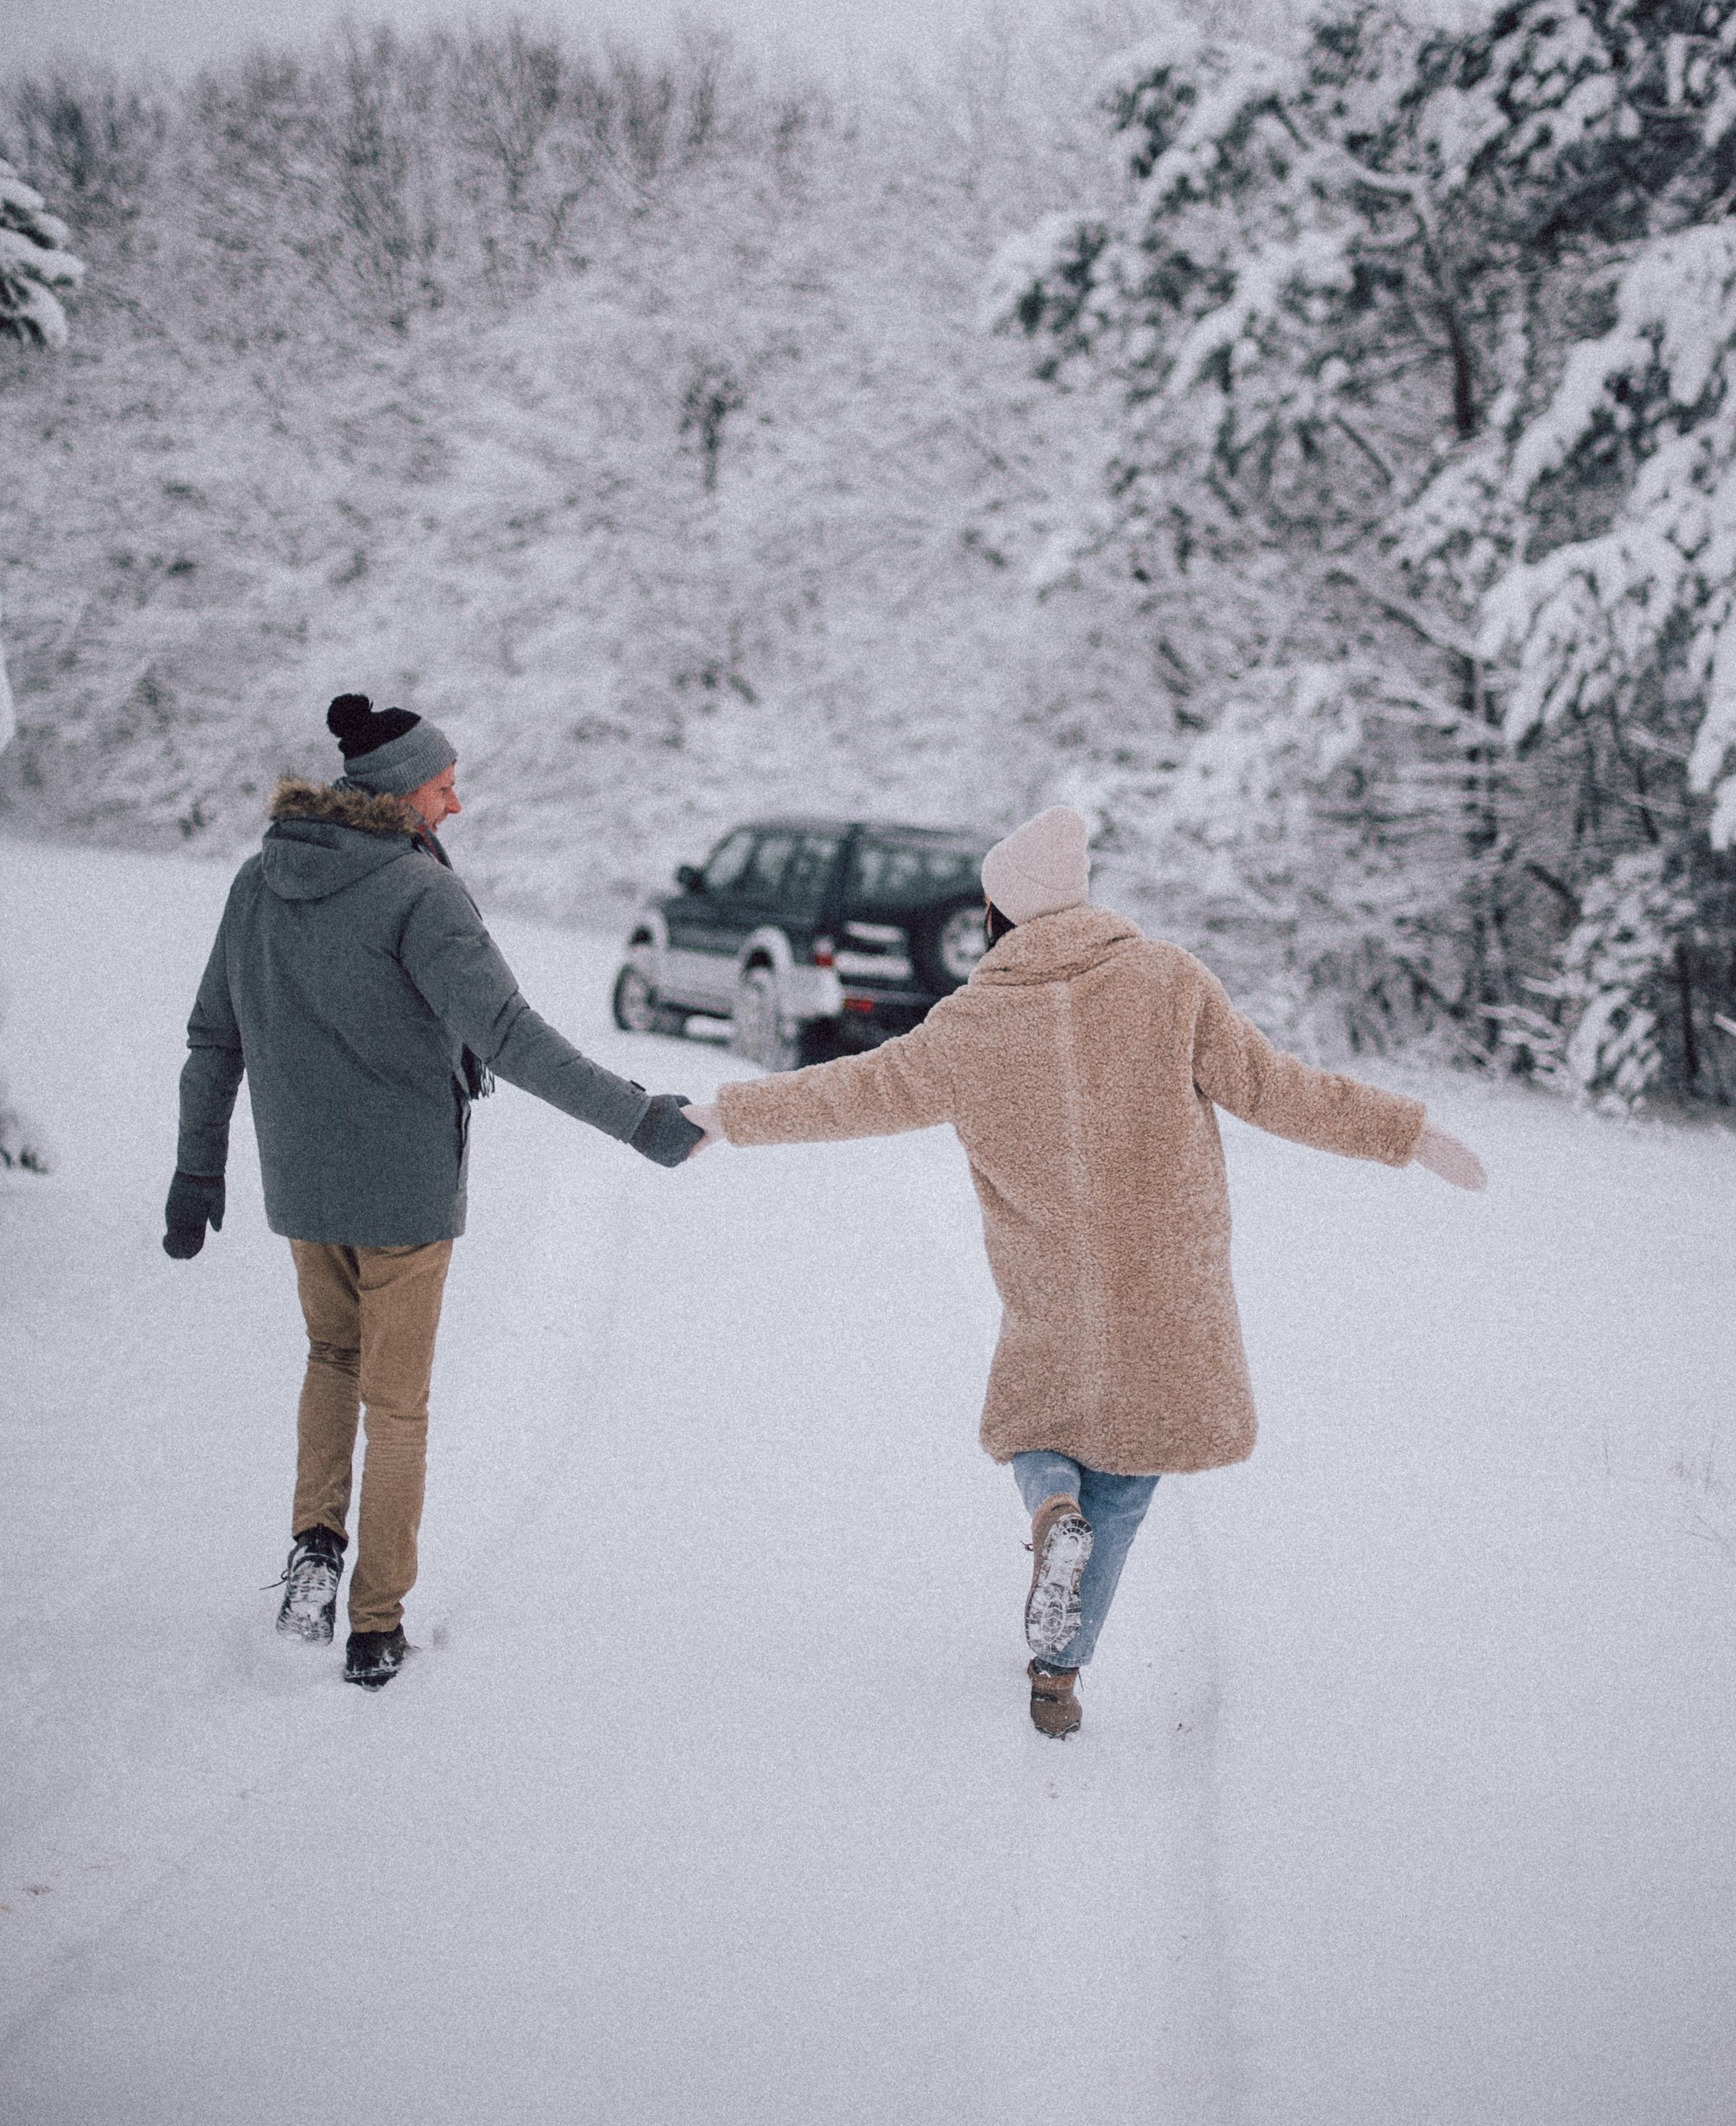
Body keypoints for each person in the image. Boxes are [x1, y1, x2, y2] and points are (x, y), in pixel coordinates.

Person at [684, 805, 1483, 1738]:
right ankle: (1056, 1675)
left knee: (1036, 1424)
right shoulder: (1169, 983)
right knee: (1129, 1478)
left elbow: (849, 1091)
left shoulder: (970, 1023)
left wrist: (728, 1115)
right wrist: (1407, 1131)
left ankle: (1049, 1508)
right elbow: (1278, 1089)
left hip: (1050, 1281)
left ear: (999, 916)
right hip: (1165, 1281)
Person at [162, 693, 703, 1689]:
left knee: (331, 1354)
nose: (456, 806)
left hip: (304, 1180)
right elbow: (509, 1037)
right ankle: (375, 1625)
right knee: (397, 1404)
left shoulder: (258, 880)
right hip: (404, 1189)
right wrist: (636, 1118)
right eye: (444, 788)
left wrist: (199, 1169)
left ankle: (315, 1551)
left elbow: (214, 1037)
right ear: (400, 792)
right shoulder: (419, 895)